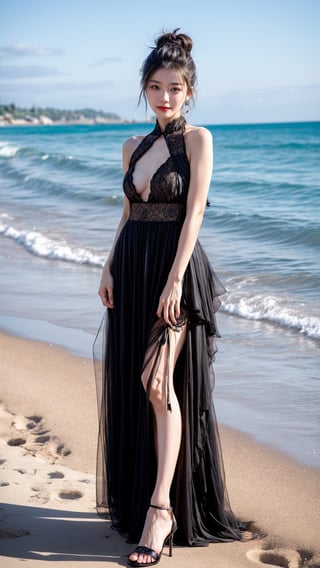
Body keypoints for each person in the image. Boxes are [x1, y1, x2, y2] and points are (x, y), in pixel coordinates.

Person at [94, 29, 245, 567]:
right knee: (142, 386)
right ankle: (146, 497)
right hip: (132, 268)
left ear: (189, 91)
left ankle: (162, 510)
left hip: (174, 270)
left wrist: (177, 278)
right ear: (143, 89)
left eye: (175, 88)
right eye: (155, 87)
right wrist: (110, 263)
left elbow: (195, 211)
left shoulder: (198, 140)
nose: (164, 96)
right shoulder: (131, 147)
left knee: (158, 382)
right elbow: (129, 211)